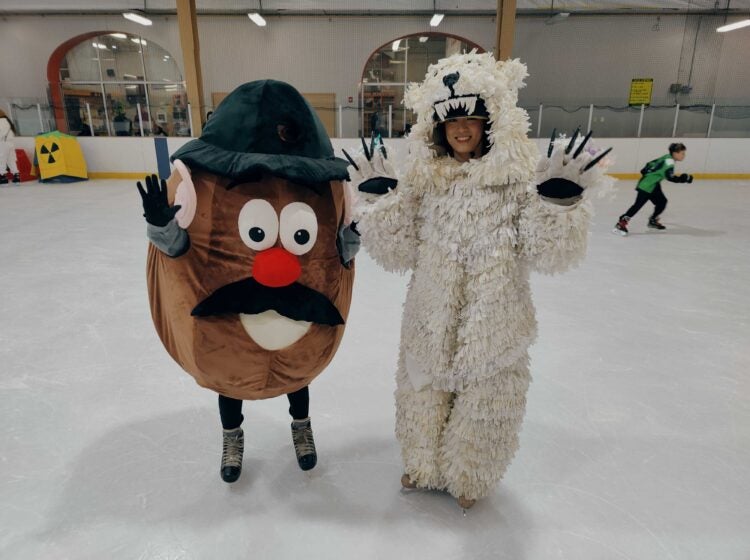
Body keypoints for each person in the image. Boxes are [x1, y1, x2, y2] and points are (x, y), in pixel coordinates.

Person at [347, 51, 612, 509]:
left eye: (472, 117)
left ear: (493, 121)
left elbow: (546, 251)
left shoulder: (516, 181)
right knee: (422, 391)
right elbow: (397, 250)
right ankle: (422, 463)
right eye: (451, 122)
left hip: (495, 320)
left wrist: (559, 206)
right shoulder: (425, 182)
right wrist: (383, 204)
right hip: (429, 314)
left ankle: (470, 476)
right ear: (436, 128)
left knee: (487, 401)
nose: (462, 129)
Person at [136, 80, 359, 484]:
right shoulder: (202, 196)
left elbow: (340, 250)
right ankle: (232, 437)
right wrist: (161, 225)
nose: (277, 268)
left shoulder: (328, 204)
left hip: (296, 319)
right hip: (234, 311)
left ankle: (301, 426)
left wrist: (356, 230)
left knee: (298, 371)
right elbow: (181, 251)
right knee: (231, 368)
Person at [613, 142, 693, 235]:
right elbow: (670, 178)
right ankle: (620, 224)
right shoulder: (669, 162)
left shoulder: (666, 157)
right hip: (646, 186)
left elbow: (648, 165)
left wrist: (649, 174)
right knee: (637, 206)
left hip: (654, 184)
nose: (684, 156)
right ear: (675, 153)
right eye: (682, 153)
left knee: (662, 202)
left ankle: (653, 220)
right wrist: (684, 179)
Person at [0, 113, 20, 184]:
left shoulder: (1, 122)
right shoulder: (8, 122)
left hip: (3, 143)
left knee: (1, 159)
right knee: (11, 160)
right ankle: (16, 175)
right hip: (10, 143)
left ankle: (2, 176)